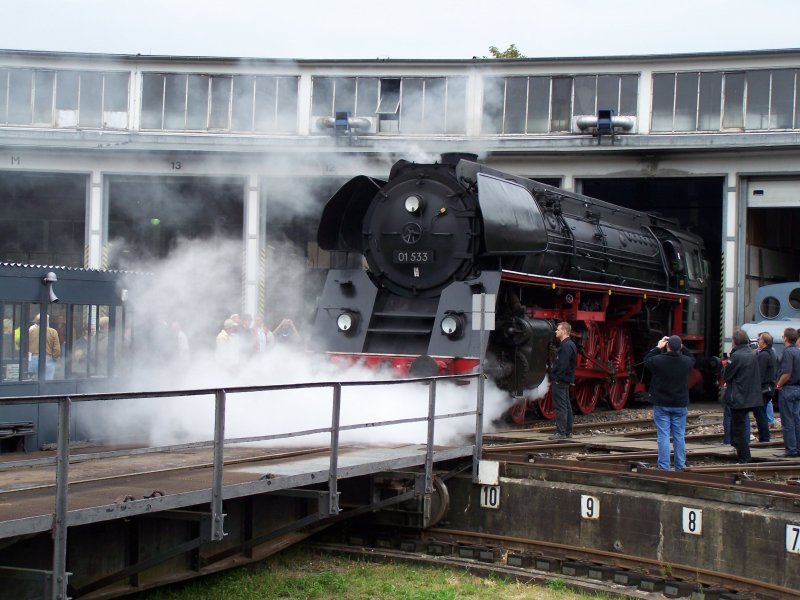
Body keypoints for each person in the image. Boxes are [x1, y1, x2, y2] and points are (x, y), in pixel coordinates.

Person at [644, 334, 696, 471]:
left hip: (662, 404)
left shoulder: (658, 360)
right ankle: (680, 467)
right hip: (679, 404)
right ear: (680, 347)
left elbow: (647, 360)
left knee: (663, 436)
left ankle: (664, 467)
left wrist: (658, 347)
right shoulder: (686, 362)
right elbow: (692, 358)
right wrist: (682, 347)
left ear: (667, 346)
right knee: (679, 436)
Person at [722, 329, 764, 463]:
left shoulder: (736, 357)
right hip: (750, 396)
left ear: (734, 341)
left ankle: (744, 457)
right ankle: (741, 452)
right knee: (740, 426)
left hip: (738, 396)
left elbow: (726, 375)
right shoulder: (752, 354)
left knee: (738, 429)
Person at [774, 327, 800, 458]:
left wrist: (779, 384)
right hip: (798, 389)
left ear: (785, 338)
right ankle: (798, 447)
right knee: (796, 419)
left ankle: (791, 449)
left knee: (787, 420)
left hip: (788, 389)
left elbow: (787, 373)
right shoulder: (798, 351)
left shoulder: (787, 352)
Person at [549, 321, 576, 440]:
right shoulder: (571, 344)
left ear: (564, 331)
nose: (556, 331)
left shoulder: (565, 346)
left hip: (560, 380)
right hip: (565, 379)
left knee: (560, 406)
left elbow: (563, 364)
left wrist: (556, 377)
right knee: (567, 406)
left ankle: (561, 432)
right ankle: (568, 431)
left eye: (558, 329)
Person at [755, 332, 777, 437]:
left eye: (759, 339)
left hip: (763, 389)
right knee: (762, 412)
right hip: (769, 387)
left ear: (764, 342)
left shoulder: (763, 355)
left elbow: (759, 373)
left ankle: (764, 437)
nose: (758, 341)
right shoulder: (771, 353)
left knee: (760, 414)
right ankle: (765, 437)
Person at [28, 314, 61, 380]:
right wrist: (55, 358)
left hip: (33, 358)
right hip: (48, 358)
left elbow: (24, 343)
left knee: (33, 381)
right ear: (47, 321)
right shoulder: (53, 332)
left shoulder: (30, 331)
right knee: (47, 382)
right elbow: (56, 349)